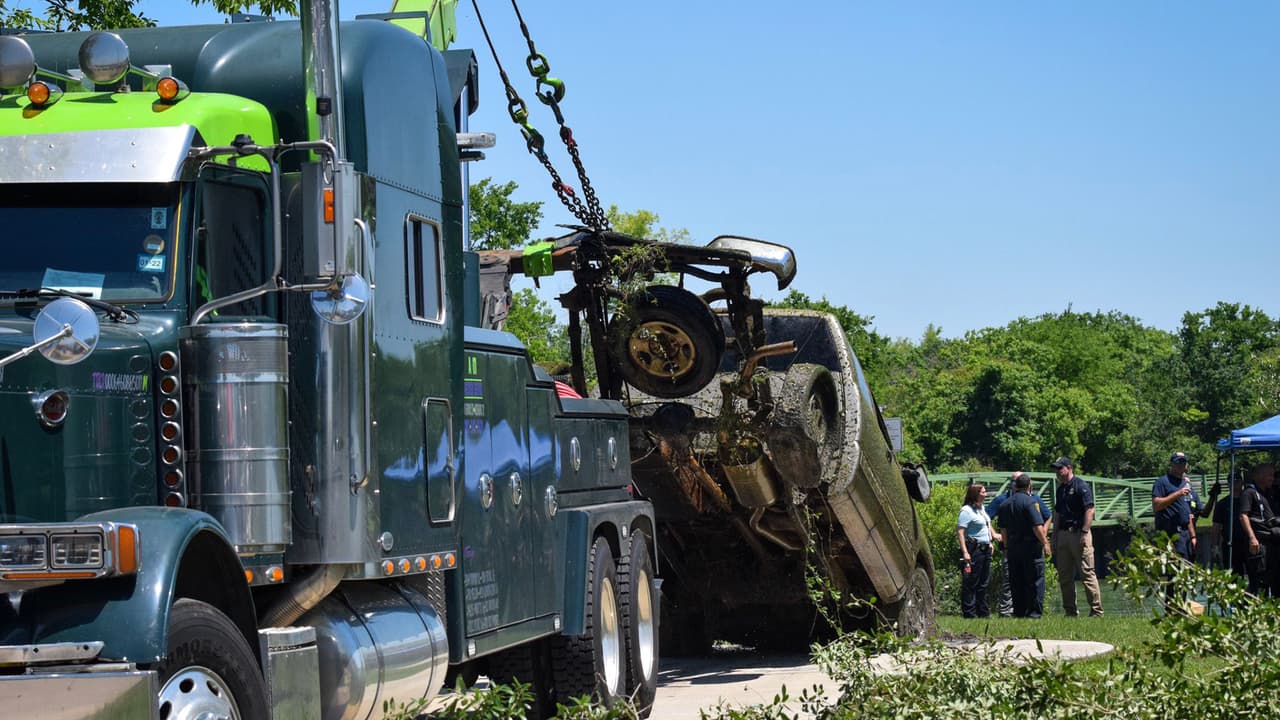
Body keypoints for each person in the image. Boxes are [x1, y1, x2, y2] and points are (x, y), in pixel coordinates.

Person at [987, 475, 1051, 616]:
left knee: (1016, 582)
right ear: (1029, 486)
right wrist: (1045, 543)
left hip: (1013, 549)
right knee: (1035, 581)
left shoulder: (1004, 504)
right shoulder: (1030, 502)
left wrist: (1008, 547)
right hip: (1030, 549)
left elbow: (1003, 529)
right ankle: (1034, 614)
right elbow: (1036, 526)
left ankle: (1019, 613)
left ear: (1015, 486)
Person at [1049, 456, 1104, 617]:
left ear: (1069, 468)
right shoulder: (1061, 489)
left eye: (1060, 468)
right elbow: (1057, 513)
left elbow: (1089, 510)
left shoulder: (1081, 486)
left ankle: (1096, 611)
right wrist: (1055, 535)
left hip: (1079, 533)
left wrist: (1085, 531)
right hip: (1063, 535)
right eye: (1056, 469)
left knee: (1087, 573)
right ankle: (1070, 612)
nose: (1057, 472)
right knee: (1065, 575)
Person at [1151, 452, 1200, 561]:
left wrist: (1193, 536)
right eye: (1178, 463)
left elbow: (1188, 513)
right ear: (1172, 464)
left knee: (1188, 570)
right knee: (1175, 571)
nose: (1181, 465)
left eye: (1183, 463)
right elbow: (1156, 506)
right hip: (1170, 534)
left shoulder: (1185, 483)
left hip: (1185, 534)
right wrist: (1178, 494)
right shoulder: (1162, 482)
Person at [1238, 463, 1278, 596]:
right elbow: (1243, 515)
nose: (1272, 478)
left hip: (1272, 543)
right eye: (1269, 475)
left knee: (1275, 578)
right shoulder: (1249, 493)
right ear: (1259, 476)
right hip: (1259, 544)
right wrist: (1252, 538)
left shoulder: (1269, 493)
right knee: (1260, 582)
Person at [956, 483, 996, 618]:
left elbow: (986, 526)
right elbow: (961, 532)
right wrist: (965, 552)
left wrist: (990, 541)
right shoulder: (966, 511)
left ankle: (982, 612)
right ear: (976, 494)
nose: (985, 494)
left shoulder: (981, 509)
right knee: (971, 582)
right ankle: (969, 613)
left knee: (983, 582)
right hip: (975, 550)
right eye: (983, 492)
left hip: (986, 549)